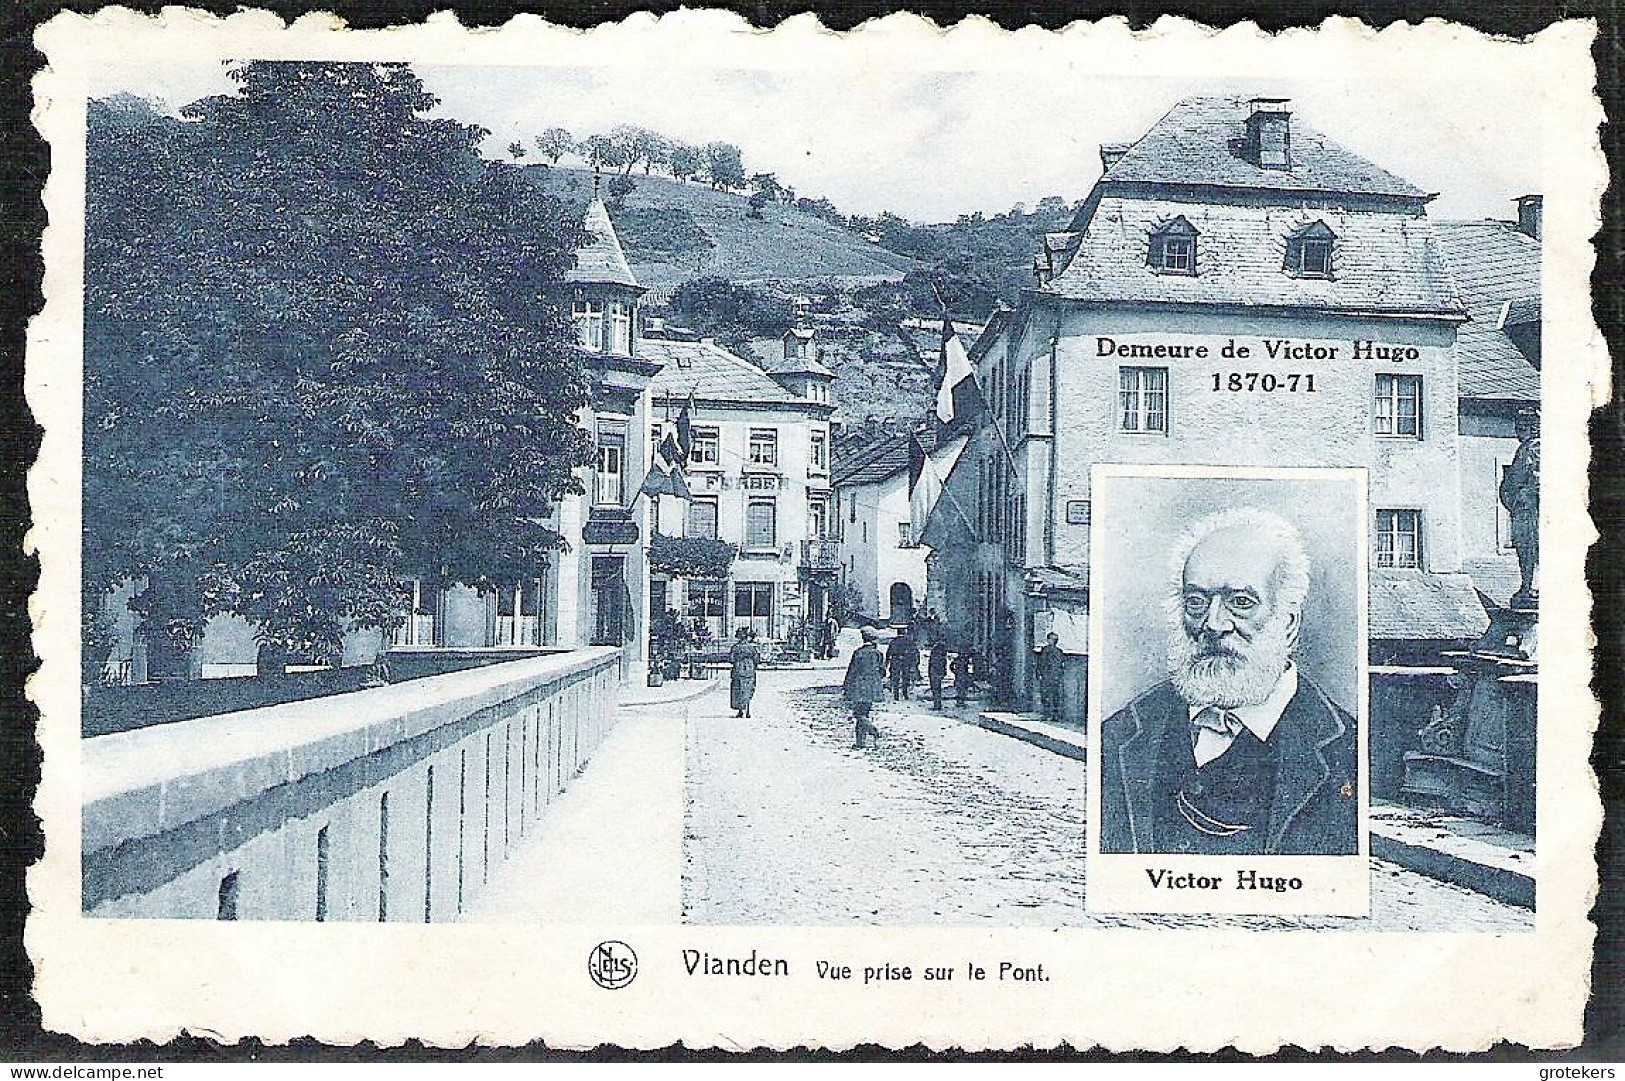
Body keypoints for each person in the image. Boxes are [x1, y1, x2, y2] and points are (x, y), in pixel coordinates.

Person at [1099, 508, 1357, 857]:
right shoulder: (1120, 734)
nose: (1214, 624)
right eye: (1196, 602)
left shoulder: (1348, 748)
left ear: (1289, 624)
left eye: (1241, 603)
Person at [843, 627, 885, 748]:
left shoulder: (858, 653)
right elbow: (882, 672)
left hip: (859, 688)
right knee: (864, 713)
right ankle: (860, 743)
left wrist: (846, 687)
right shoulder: (878, 654)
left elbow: (852, 671)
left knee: (858, 714)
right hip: (873, 689)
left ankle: (873, 731)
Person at [729, 627, 760, 719]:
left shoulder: (735, 647)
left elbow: (731, 659)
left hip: (738, 670)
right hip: (749, 670)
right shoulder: (752, 647)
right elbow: (757, 659)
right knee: (748, 690)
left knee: (738, 690)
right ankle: (747, 710)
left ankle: (740, 711)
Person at [1035, 631, 1064, 721]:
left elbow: (1041, 663)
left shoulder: (1045, 650)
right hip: (1055, 677)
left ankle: (1047, 714)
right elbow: (1061, 665)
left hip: (1047, 676)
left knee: (1046, 695)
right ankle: (1055, 715)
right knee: (1055, 696)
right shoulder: (1059, 651)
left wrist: (1039, 673)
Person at [886, 628, 919, 701]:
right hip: (906, 661)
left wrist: (887, 663)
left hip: (895, 661)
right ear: (904, 632)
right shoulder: (909, 641)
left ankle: (896, 695)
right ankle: (905, 693)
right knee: (905, 678)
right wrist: (914, 663)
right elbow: (913, 652)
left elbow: (888, 653)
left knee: (895, 678)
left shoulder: (893, 642)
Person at [926, 639, 949, 710]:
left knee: (935, 688)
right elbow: (944, 663)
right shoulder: (943, 653)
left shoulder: (935, 652)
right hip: (940, 671)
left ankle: (937, 705)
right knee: (938, 689)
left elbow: (931, 663)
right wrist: (944, 672)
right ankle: (938, 704)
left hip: (934, 671)